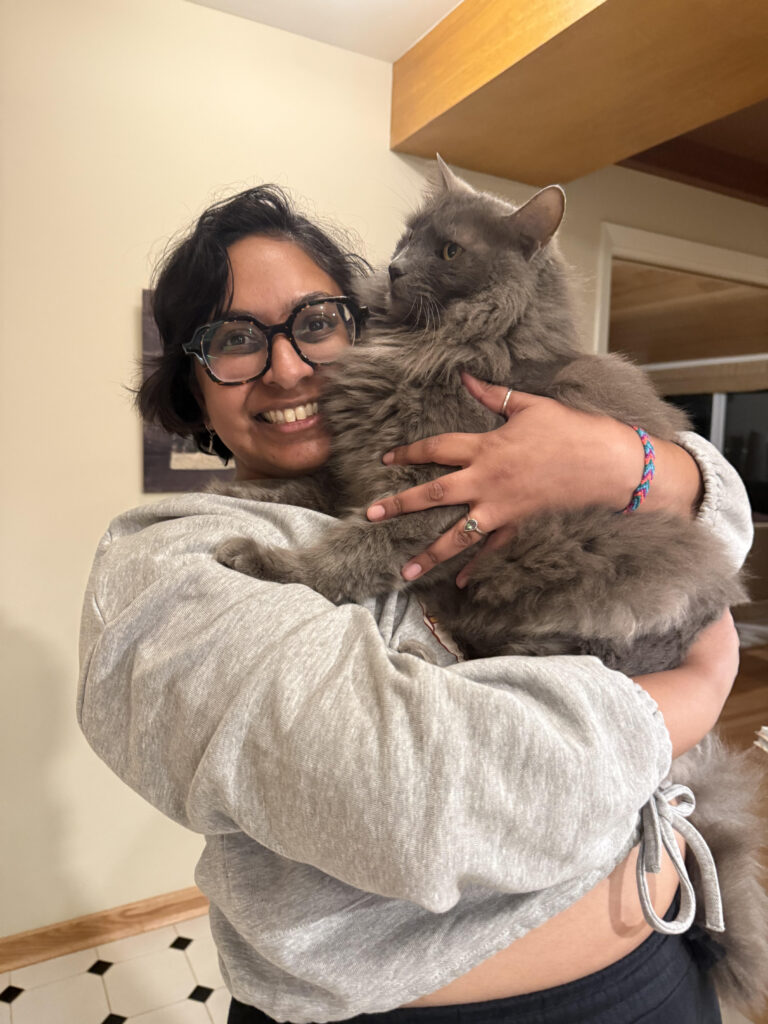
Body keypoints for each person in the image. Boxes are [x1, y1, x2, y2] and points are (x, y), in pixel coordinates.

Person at [78, 185, 752, 1024]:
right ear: (191, 382)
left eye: (315, 322)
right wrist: (695, 692)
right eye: (236, 339)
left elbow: (721, 525)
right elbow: (420, 810)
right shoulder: (168, 564)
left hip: (660, 962)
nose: (287, 367)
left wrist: (641, 466)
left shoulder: (453, 440)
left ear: (359, 324)